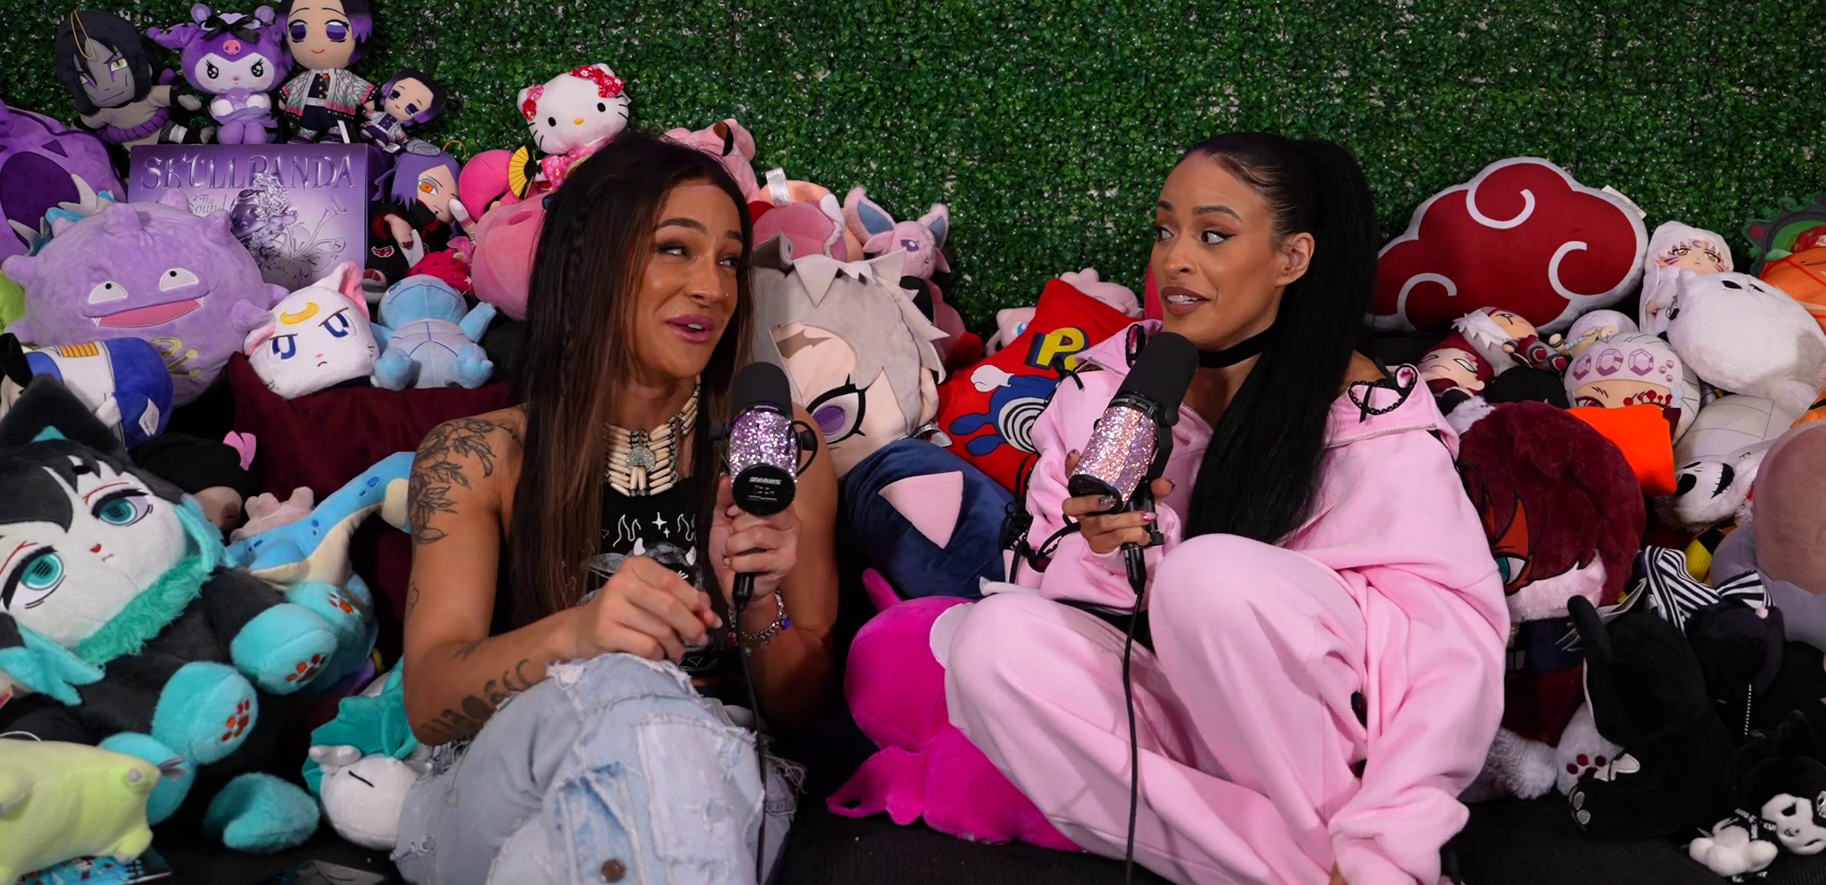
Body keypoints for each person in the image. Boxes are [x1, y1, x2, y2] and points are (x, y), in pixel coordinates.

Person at [945, 134, 1508, 885]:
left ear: (1292, 259)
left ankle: (1374, 859)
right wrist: (1113, 548)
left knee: (1208, 578)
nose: (1174, 260)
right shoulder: (1107, 389)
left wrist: (1396, 824)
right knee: (991, 643)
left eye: (1212, 235)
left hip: (1347, 757)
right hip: (1179, 727)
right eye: (1164, 230)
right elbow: (1047, 583)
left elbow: (1448, 648)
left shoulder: (1369, 418)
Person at [394, 133, 838, 884]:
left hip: (704, 785)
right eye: (675, 249)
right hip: (509, 778)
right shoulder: (476, 456)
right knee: (623, 691)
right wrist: (581, 636)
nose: (713, 288)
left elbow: (799, 709)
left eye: (729, 260)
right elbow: (430, 701)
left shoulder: (776, 448)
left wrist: (758, 602)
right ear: (588, 263)